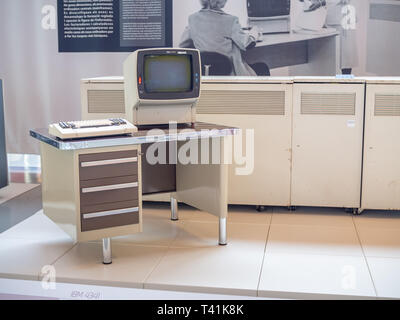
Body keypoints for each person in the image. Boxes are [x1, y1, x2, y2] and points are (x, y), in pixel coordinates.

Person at [179, 0, 269, 76]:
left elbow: (183, 46)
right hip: (232, 75)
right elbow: (247, 44)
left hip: (206, 75)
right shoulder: (231, 20)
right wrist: (254, 33)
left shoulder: (192, 19)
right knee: (262, 67)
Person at [325, 0, 359, 74]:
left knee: (346, 58)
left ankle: (346, 82)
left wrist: (322, 2)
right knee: (328, 58)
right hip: (328, 17)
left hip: (343, 18)